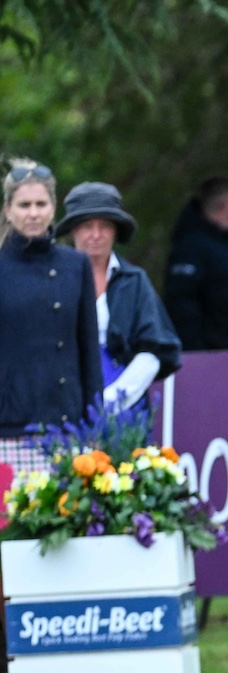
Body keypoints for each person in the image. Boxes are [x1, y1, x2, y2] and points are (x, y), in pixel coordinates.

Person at [0, 162, 102, 478]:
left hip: (67, 426)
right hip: (9, 428)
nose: (33, 213)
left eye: (40, 204)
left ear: (53, 208)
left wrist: (94, 422)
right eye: (24, 205)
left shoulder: (76, 265)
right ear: (8, 210)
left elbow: (88, 348)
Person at [57, 182, 182, 421]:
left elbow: (154, 350)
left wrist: (114, 400)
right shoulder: (52, 281)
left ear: (116, 230)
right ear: (72, 230)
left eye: (104, 225)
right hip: (63, 405)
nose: (96, 235)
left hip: (125, 409)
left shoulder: (134, 281)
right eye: (86, 226)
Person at [165, 174, 228, 351]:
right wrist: (196, 355)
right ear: (226, 207)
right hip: (211, 360)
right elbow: (181, 306)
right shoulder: (190, 248)